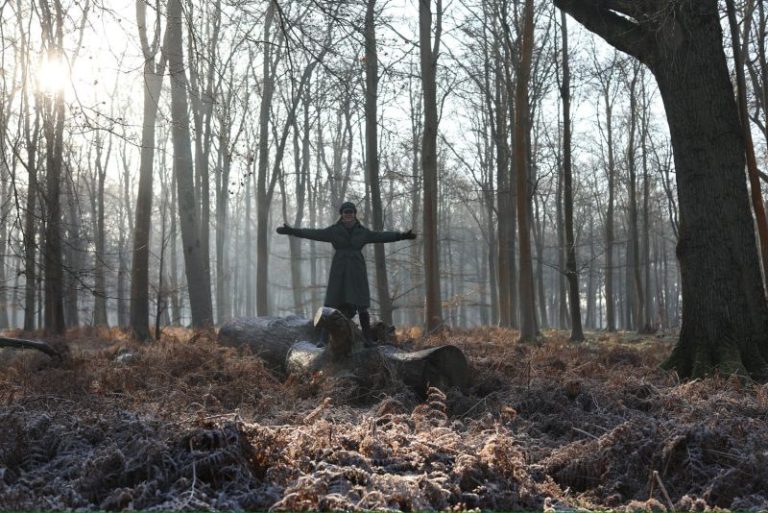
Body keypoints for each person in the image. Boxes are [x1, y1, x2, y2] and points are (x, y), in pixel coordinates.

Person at [276, 201, 416, 341]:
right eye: (345, 213)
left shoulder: (362, 232)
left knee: (361, 304)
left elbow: (381, 236)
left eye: (351, 212)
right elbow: (314, 233)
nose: (348, 215)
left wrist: (401, 235)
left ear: (354, 214)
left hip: (357, 270)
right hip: (339, 269)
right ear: (342, 215)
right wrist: (292, 231)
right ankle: (323, 340)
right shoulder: (334, 231)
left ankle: (367, 339)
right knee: (331, 302)